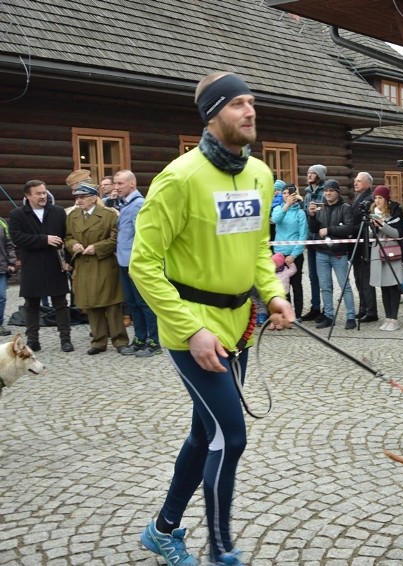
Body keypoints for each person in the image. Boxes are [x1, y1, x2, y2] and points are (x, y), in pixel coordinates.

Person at [131, 71, 293, 566]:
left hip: (238, 324)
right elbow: (143, 264)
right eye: (239, 104)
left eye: (253, 103)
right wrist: (190, 330)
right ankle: (222, 549)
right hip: (191, 329)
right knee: (231, 435)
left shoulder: (261, 175)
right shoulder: (178, 179)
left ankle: (162, 529)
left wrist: (273, 295)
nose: (251, 112)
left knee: (205, 434)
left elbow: (257, 248)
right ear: (213, 114)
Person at [7, 180, 74, 352]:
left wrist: (68, 261)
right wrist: (44, 239)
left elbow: (67, 237)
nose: (43, 196)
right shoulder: (17, 215)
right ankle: (33, 340)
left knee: (61, 303)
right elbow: (17, 238)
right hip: (32, 265)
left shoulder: (58, 212)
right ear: (28, 196)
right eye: (38, 193)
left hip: (55, 264)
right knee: (32, 304)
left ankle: (65, 339)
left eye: (44, 192)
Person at [65, 183, 131, 355]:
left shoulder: (109, 215)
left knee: (112, 304)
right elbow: (68, 237)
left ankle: (120, 341)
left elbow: (117, 237)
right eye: (77, 197)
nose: (78, 200)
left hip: (104, 264)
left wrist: (97, 247)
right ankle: (98, 341)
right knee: (91, 303)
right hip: (83, 265)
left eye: (82, 197)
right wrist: (74, 245)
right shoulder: (73, 216)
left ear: (94, 198)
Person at [114, 169, 160, 357]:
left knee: (144, 303)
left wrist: (136, 262)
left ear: (132, 184)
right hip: (124, 262)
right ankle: (139, 339)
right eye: (115, 184)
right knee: (132, 303)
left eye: (120, 184)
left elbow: (142, 236)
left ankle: (153, 341)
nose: (116, 188)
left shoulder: (138, 204)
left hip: (135, 263)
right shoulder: (126, 204)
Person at [307, 179, 357, 330]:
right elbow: (314, 229)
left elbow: (349, 228)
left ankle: (351, 316)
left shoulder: (345, 207)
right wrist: (312, 216)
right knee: (325, 287)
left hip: (339, 253)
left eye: (331, 190)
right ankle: (328, 316)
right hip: (321, 252)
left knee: (345, 286)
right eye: (326, 190)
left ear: (337, 192)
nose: (328, 193)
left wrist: (329, 230)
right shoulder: (320, 207)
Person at [368, 185, 403, 331]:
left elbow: (396, 233)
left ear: (386, 199)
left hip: (391, 252)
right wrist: (371, 227)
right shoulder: (373, 213)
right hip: (377, 252)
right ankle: (387, 318)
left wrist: (382, 224)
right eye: (375, 198)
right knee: (383, 286)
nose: (377, 201)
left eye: (380, 198)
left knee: (393, 286)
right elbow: (370, 236)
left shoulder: (394, 213)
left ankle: (394, 319)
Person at [271, 183, 307, 319]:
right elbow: (275, 220)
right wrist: (286, 206)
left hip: (294, 254)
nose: (286, 195)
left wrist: (294, 255)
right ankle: (285, 313)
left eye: (289, 193)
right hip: (279, 254)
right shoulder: (277, 209)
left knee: (296, 285)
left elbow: (303, 236)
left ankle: (297, 315)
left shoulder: (300, 213)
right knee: (282, 286)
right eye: (284, 193)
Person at [300, 164, 327, 321]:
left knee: (323, 276)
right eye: (308, 172)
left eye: (312, 173)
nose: (309, 175)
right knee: (312, 275)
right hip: (310, 238)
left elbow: (326, 212)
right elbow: (305, 213)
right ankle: (315, 307)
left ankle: (326, 308)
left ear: (319, 175)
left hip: (321, 237)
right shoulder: (308, 193)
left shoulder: (326, 191)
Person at [351, 171, 378, 323]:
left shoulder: (370, 199)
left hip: (364, 244)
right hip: (356, 243)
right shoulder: (357, 198)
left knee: (365, 279)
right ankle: (363, 308)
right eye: (355, 180)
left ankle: (371, 310)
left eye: (359, 181)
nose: (355, 183)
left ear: (368, 184)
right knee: (358, 278)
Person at [0, 216, 17, 336]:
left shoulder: (2, 222)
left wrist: (11, 262)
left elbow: (9, 244)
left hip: (1, 267)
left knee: (1, 297)